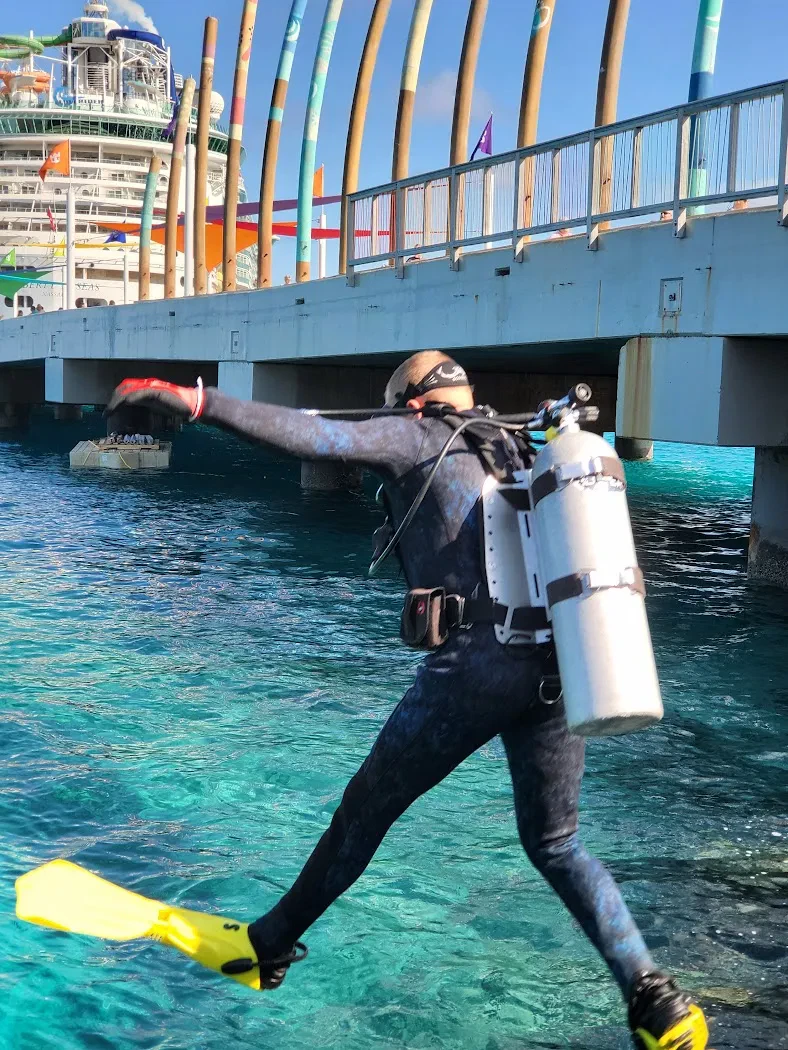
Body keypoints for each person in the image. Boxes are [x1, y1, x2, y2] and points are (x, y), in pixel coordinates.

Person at [103, 354, 709, 1049]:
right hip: (559, 666)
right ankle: (657, 1003)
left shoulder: (420, 436)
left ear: (410, 404)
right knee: (557, 842)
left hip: (475, 670)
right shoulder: (517, 447)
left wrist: (199, 401)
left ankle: (268, 945)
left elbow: (311, 436)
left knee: (364, 812)